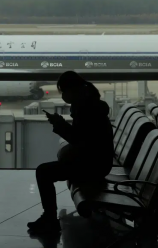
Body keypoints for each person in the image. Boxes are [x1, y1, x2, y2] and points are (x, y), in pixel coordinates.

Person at [27, 71, 114, 234]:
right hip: (99, 162)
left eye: (64, 91)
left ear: (72, 90)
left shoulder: (87, 109)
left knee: (43, 172)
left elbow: (81, 142)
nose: (63, 96)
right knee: (49, 169)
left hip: (94, 165)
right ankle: (49, 217)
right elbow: (84, 140)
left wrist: (60, 126)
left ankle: (50, 219)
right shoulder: (90, 104)